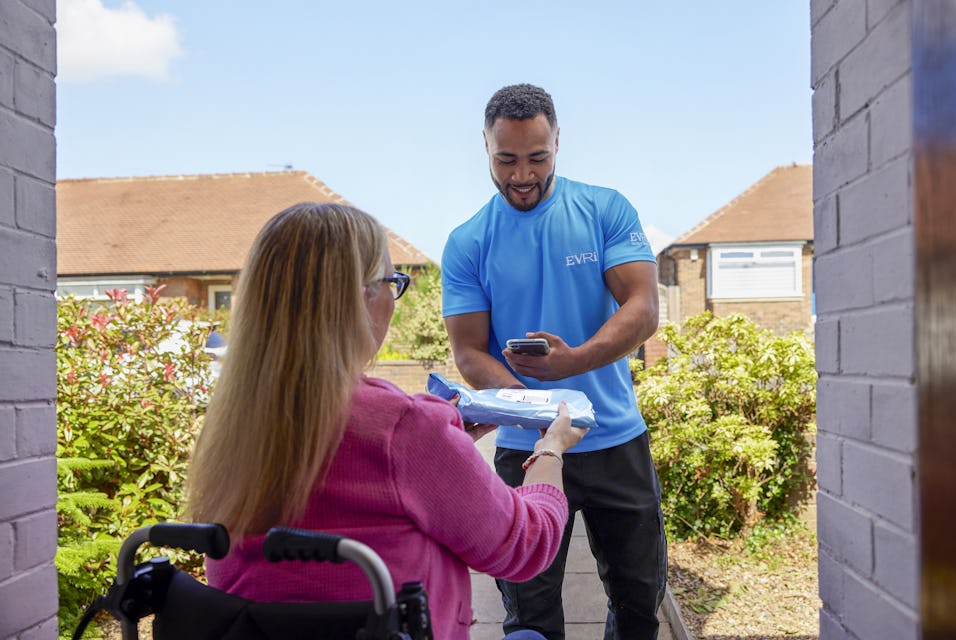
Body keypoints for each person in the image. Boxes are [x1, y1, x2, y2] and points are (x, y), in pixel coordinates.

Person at [185, 202, 587, 640]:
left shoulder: (231, 423)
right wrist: (550, 449)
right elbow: (525, 546)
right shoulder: (403, 427)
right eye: (392, 283)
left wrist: (446, 453)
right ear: (361, 298)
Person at [441, 84, 667, 640]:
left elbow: (643, 307)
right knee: (530, 617)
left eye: (537, 158)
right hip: (525, 451)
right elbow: (468, 349)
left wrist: (576, 363)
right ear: (486, 149)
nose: (522, 175)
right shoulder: (468, 241)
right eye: (506, 159)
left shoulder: (604, 209)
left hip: (616, 440)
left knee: (639, 604)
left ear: (558, 142)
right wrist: (539, 407)